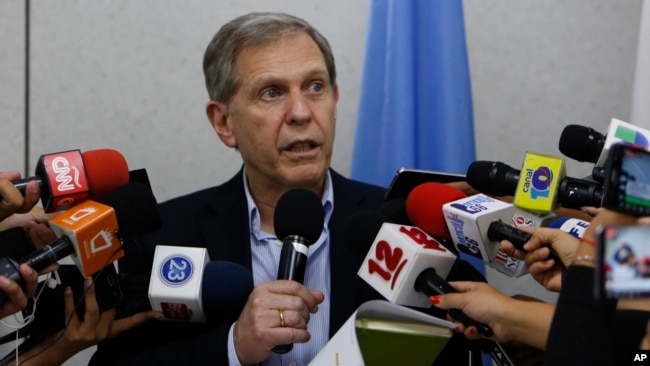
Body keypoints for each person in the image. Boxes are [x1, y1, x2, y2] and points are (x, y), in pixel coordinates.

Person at [89, 12, 393, 366]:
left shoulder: (396, 223)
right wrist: (233, 347)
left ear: (334, 98)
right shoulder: (164, 238)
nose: (301, 112)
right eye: (272, 92)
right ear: (224, 122)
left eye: (315, 86)